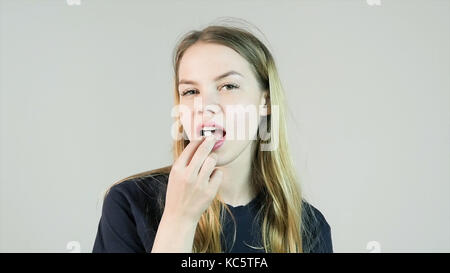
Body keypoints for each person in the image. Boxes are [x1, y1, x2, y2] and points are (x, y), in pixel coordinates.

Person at [93, 20, 333, 253]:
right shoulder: (129, 203)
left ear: (266, 102)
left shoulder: (308, 229)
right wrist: (180, 220)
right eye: (190, 91)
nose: (205, 106)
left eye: (228, 86)